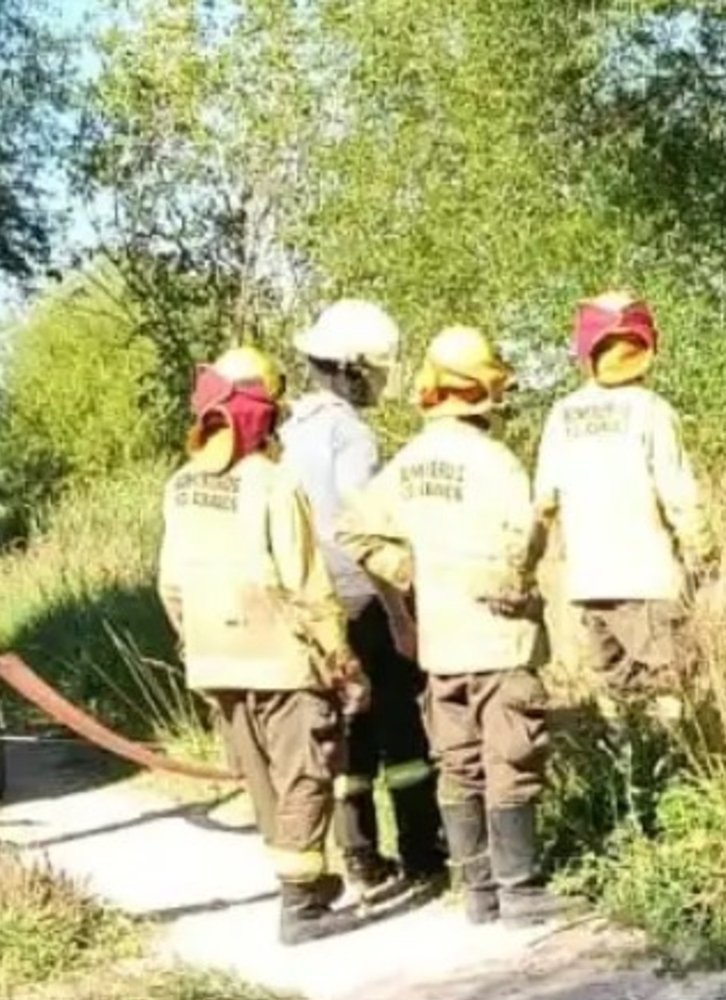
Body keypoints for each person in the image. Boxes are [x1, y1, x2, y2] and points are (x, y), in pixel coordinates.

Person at [337, 326, 550, 927]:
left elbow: (353, 530)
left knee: (459, 763)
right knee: (511, 757)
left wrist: (406, 572)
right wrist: (529, 570)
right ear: (487, 391)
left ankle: (477, 894)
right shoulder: (496, 461)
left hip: (442, 645)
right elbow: (519, 547)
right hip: (499, 640)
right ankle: (522, 892)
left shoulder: (407, 462)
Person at [158, 346, 367, 946]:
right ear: (265, 416)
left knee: (261, 779)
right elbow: (305, 582)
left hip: (213, 658)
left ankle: (302, 883)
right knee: (305, 770)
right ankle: (300, 906)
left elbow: (170, 582)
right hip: (280, 655)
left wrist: (191, 638)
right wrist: (339, 655)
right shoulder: (275, 484)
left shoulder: (181, 486)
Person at [280, 299, 447, 898]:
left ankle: (359, 856)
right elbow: (364, 527)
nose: (379, 379)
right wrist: (401, 610)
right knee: (401, 733)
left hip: (314, 608)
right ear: (351, 368)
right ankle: (423, 854)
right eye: (374, 368)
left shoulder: (291, 428)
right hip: (362, 600)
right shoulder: (351, 434)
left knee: (347, 736)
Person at [533, 291, 714, 723]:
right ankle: (668, 771)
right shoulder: (652, 410)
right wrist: (703, 551)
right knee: (668, 684)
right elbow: (679, 494)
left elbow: (543, 502)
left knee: (613, 687)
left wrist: (530, 567)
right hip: (650, 578)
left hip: (589, 581)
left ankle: (626, 772)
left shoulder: (563, 414)